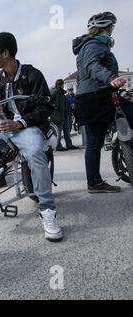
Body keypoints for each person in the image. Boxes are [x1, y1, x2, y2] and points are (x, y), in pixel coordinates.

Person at [0, 32, 63, 242]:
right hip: (4, 128)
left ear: (6, 53)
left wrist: (20, 122)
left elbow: (45, 107)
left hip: (27, 127)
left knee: (36, 153)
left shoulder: (33, 74)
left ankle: (47, 211)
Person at [73, 12, 130, 193]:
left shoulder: (90, 44)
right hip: (95, 97)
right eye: (112, 26)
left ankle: (95, 182)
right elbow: (92, 66)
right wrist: (110, 78)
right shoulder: (94, 44)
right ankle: (95, 183)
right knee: (94, 142)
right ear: (107, 27)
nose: (113, 30)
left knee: (94, 142)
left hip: (92, 96)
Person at [50, 80, 79, 151]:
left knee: (67, 131)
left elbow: (65, 104)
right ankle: (58, 146)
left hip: (64, 115)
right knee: (58, 132)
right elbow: (49, 101)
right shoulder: (55, 92)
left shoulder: (61, 93)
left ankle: (69, 145)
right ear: (62, 85)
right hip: (57, 116)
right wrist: (54, 106)